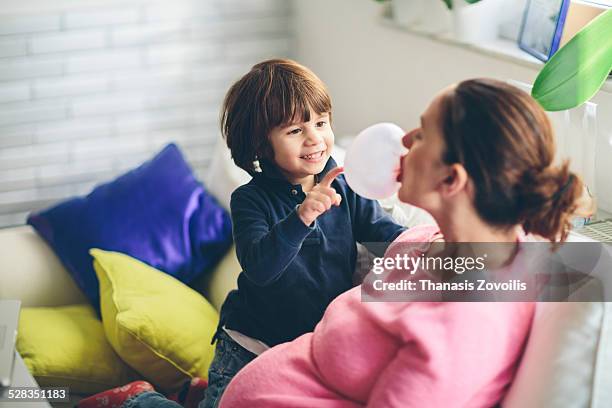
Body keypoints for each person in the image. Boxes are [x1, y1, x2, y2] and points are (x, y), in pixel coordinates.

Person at [218, 78, 584, 408]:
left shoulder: (466, 316)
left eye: (422, 134)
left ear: (451, 179)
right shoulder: (429, 241)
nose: (403, 139)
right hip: (257, 352)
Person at [77, 58, 406, 408]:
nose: (314, 138)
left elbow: (386, 234)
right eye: (295, 131)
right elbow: (261, 267)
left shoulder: (344, 185)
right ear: (261, 146)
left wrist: (443, 252)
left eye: (320, 123)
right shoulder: (250, 199)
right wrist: (303, 215)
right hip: (249, 346)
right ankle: (138, 401)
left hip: (308, 346)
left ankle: (193, 392)